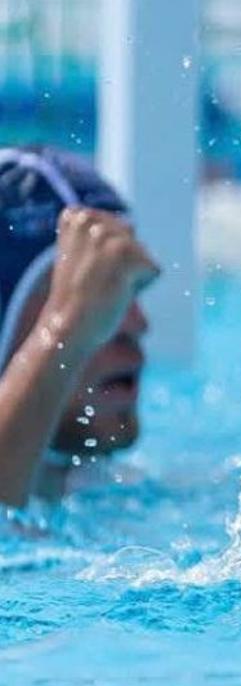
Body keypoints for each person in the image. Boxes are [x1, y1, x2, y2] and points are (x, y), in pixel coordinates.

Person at [0, 146, 158, 507]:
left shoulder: (115, 495)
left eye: (126, 287)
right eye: (83, 292)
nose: (135, 323)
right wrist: (64, 331)